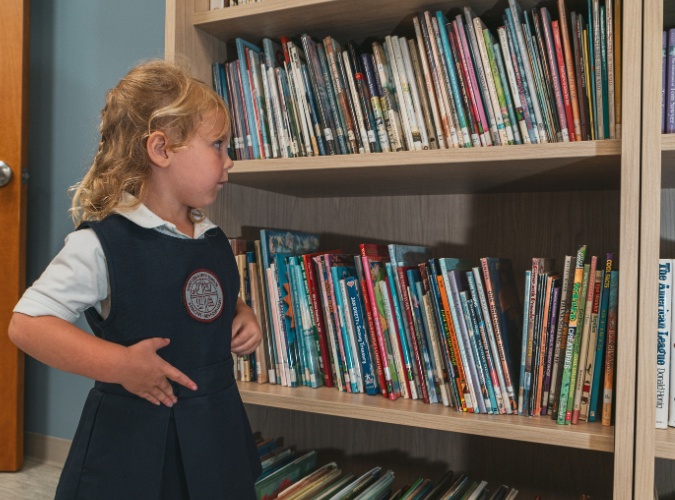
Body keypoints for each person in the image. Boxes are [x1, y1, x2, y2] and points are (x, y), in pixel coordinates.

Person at [8, 59, 263, 499]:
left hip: (214, 429)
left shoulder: (212, 237)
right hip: (134, 448)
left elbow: (210, 297)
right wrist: (120, 365)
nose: (230, 161)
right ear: (161, 149)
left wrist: (242, 313)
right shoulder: (103, 245)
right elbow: (27, 324)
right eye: (218, 145)